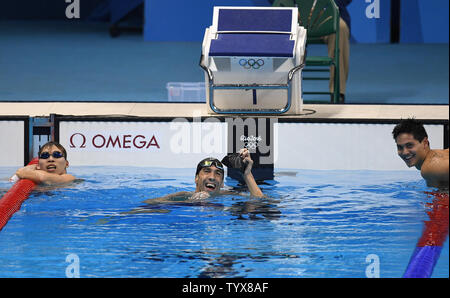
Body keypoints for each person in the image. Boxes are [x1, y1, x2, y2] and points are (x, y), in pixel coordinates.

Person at [143, 148, 264, 205]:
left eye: (218, 173)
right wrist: (191, 201)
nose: (212, 177)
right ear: (196, 178)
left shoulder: (229, 196)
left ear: (222, 183)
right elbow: (149, 204)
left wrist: (247, 174)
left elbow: (260, 201)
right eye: (207, 171)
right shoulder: (181, 196)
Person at [392, 119, 449, 190]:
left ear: (425, 143)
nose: (404, 152)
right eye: (400, 147)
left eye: (409, 145)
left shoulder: (430, 168)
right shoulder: (440, 156)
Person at [324, 0, 351, 104]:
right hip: (296, 14)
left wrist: (330, 6)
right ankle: (281, 88)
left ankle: (337, 91)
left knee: (341, 28)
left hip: (329, 14)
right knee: (283, 25)